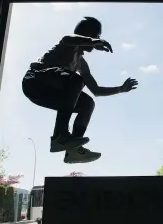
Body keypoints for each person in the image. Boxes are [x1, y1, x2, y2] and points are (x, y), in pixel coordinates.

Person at [22, 17, 138, 164]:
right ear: (86, 34)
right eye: (97, 35)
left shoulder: (82, 64)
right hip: (35, 81)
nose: (98, 39)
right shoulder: (67, 44)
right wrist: (94, 42)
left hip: (49, 93)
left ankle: (73, 150)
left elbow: (96, 90)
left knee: (88, 103)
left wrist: (120, 89)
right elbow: (69, 38)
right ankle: (60, 136)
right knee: (76, 80)